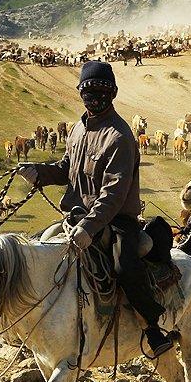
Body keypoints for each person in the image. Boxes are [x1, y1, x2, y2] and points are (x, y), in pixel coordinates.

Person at [16, 60, 174, 358]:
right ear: (80, 92)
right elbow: (66, 169)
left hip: (115, 221)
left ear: (113, 93)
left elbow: (113, 193)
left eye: (102, 91)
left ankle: (152, 327)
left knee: (124, 267)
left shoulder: (120, 136)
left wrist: (89, 228)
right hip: (74, 218)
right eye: (89, 90)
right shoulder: (77, 129)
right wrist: (40, 173)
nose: (95, 96)